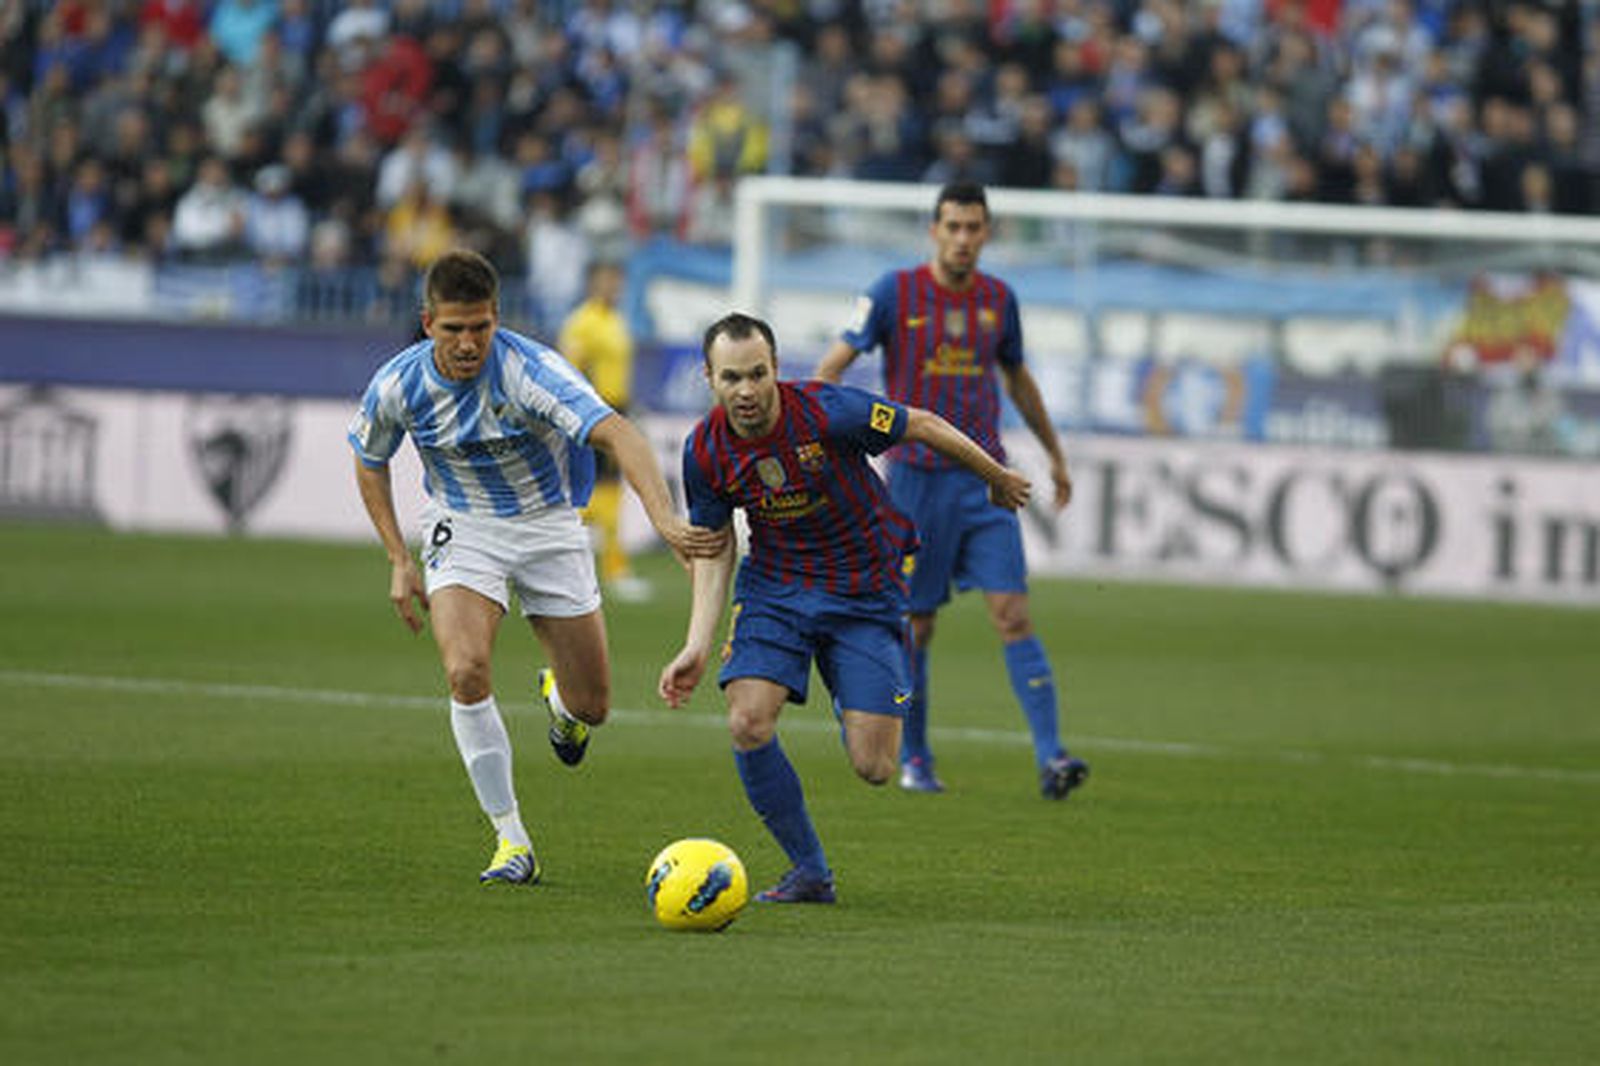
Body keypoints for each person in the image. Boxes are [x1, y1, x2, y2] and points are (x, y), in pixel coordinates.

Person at [348, 249, 723, 887]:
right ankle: (510, 839)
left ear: (497, 318)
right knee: (465, 669)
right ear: (427, 321)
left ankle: (563, 704)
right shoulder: (397, 384)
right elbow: (369, 456)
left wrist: (661, 519)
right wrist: (395, 556)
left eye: (480, 328)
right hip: (463, 529)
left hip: (550, 526)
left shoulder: (533, 371)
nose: (468, 344)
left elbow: (621, 435)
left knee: (595, 706)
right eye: (453, 329)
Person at [658, 313, 1032, 904]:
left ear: (776, 370)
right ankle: (810, 872)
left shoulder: (827, 411)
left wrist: (995, 475)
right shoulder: (703, 451)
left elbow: (924, 425)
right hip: (776, 590)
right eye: (732, 378)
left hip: (864, 591)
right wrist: (697, 645)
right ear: (708, 377)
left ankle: (863, 678)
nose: (747, 390)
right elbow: (714, 546)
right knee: (747, 722)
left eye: (758, 374)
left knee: (876, 766)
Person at [814, 182, 1089, 800]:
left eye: (974, 228)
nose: (964, 238)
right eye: (953, 227)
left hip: (987, 482)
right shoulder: (892, 292)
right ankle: (915, 757)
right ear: (934, 231)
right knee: (917, 623)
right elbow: (829, 373)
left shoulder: (999, 300)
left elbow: (1018, 380)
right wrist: (832, 449)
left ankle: (1052, 758)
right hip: (913, 481)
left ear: (987, 233)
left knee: (1012, 613)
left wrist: (1055, 454)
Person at [559, 261, 649, 601]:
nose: (615, 288)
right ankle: (583, 564)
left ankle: (612, 567)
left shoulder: (616, 321)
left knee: (610, 490)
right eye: (609, 280)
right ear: (594, 283)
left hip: (617, 409)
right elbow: (570, 369)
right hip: (594, 412)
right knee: (591, 490)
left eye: (617, 281)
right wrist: (585, 412)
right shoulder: (582, 323)